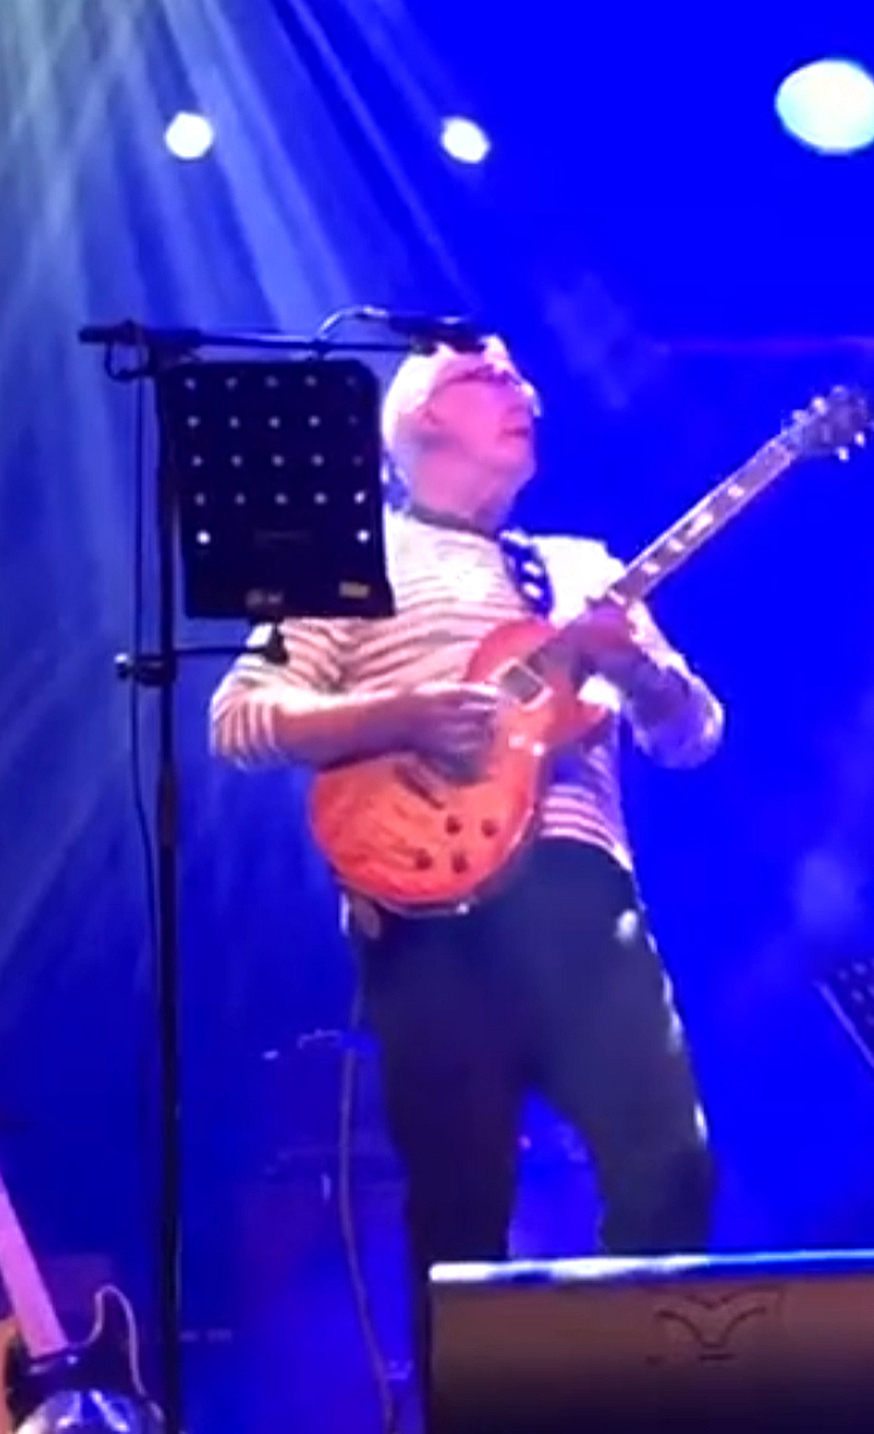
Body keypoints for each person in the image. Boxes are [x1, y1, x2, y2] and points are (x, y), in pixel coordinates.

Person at [209, 336, 724, 1396]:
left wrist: (636, 667)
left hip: (583, 900)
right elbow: (241, 717)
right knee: (459, 1208)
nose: (522, 389)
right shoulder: (348, 558)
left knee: (672, 1163)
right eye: (487, 377)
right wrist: (399, 714)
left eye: (521, 377)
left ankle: (636, 1402)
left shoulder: (581, 569)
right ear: (419, 421)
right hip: (425, 911)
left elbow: (692, 739)